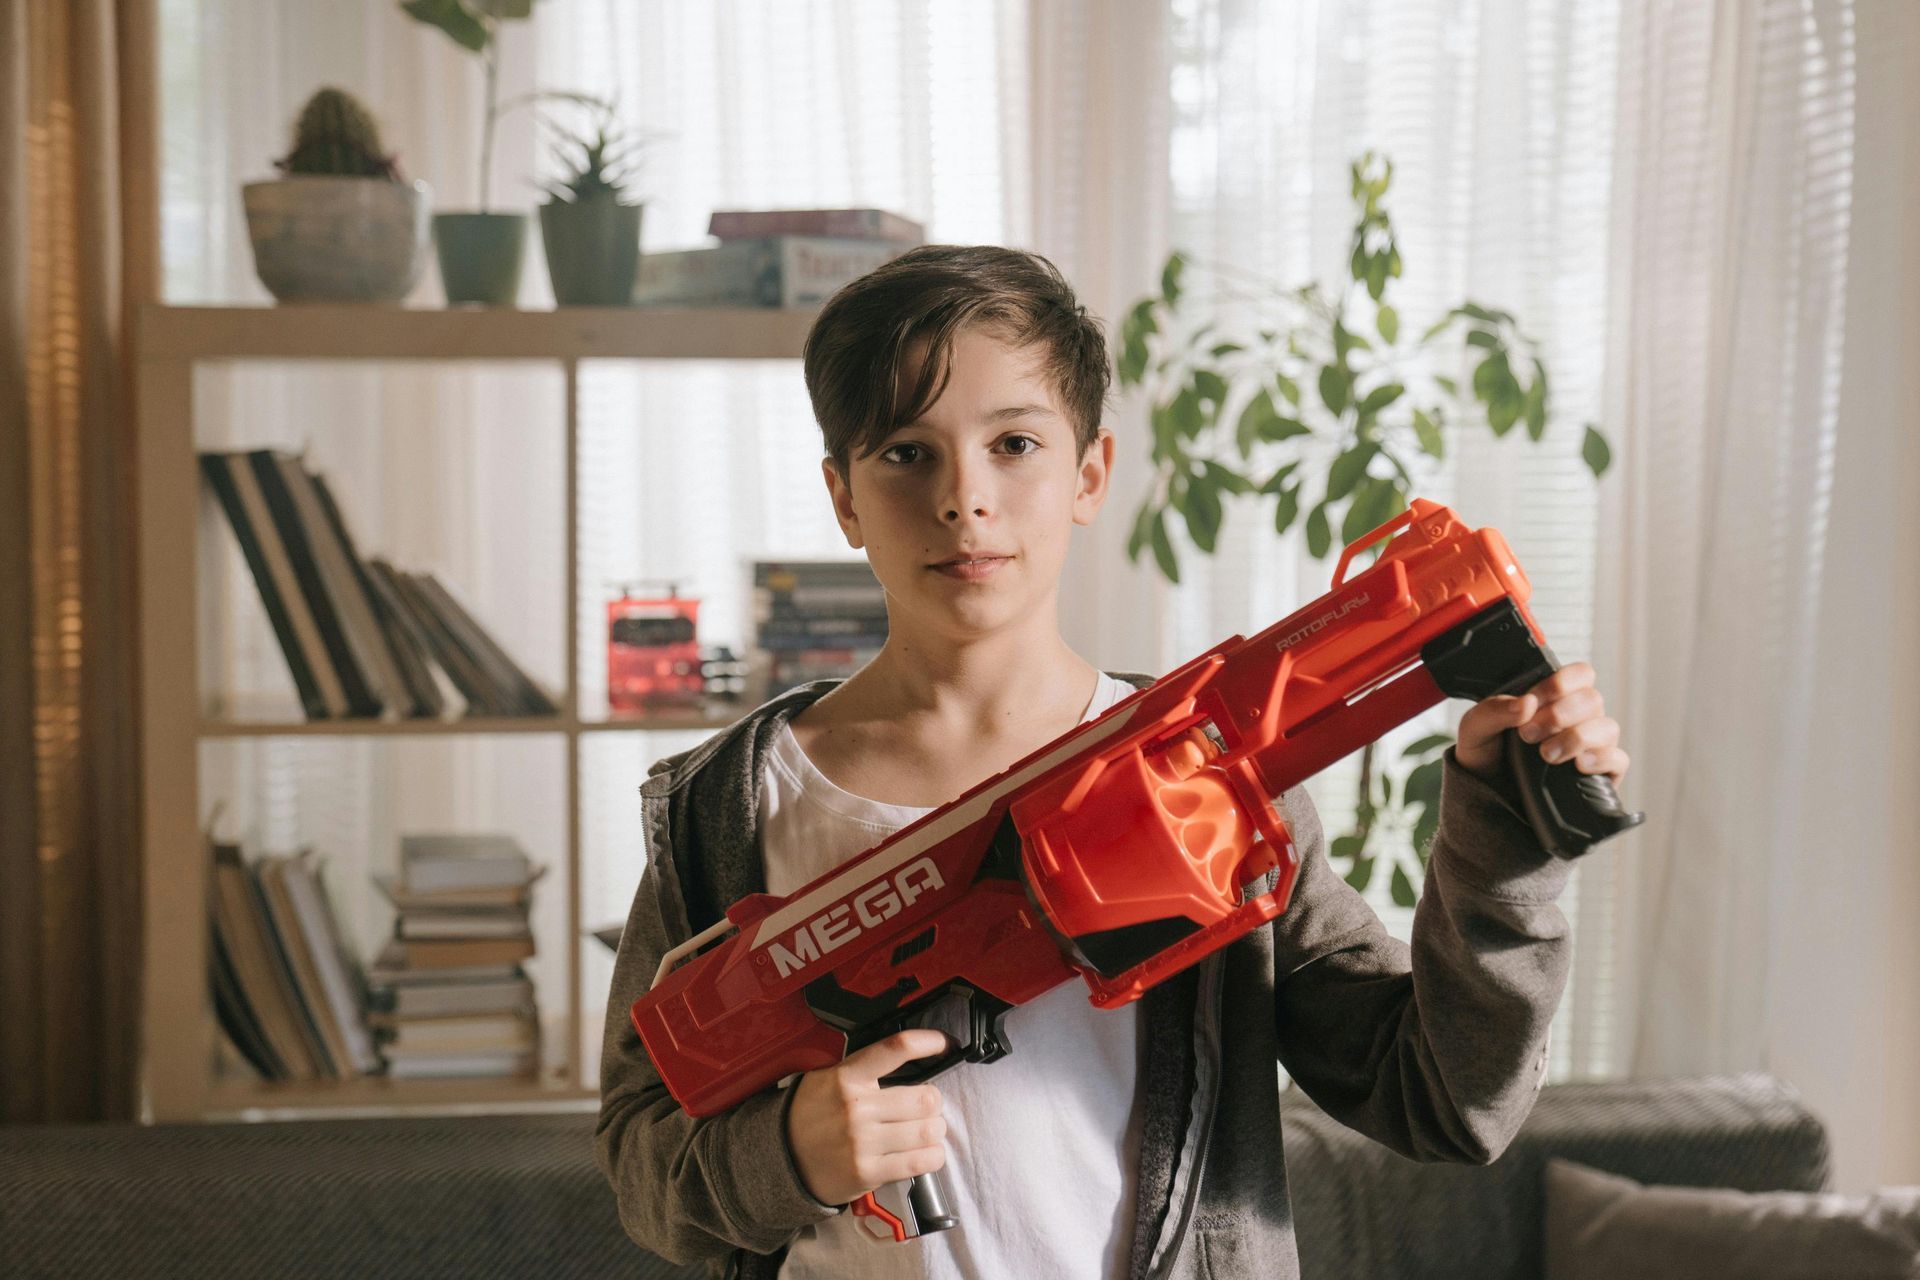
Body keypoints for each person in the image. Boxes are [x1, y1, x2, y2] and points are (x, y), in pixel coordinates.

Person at [595, 245, 1631, 1280]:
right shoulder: (726, 808)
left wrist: (1507, 831)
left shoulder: (1206, 779)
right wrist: (786, 1156)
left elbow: (1443, 1098)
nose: (966, 497)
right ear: (844, 498)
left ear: (1089, 473)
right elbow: (645, 1164)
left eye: (1014, 443)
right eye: (908, 453)